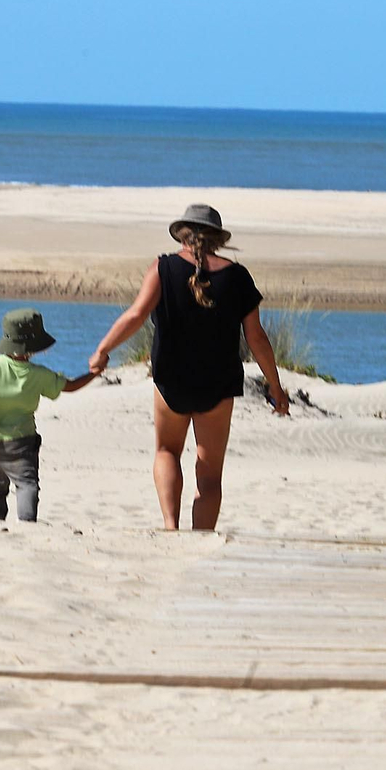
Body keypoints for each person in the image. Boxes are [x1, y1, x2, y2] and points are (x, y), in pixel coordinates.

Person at [89, 203, 290, 531]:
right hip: (219, 385)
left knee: (167, 450)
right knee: (210, 474)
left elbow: (136, 315)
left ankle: (171, 527)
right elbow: (256, 337)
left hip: (171, 382)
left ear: (182, 235)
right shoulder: (238, 276)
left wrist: (103, 350)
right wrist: (275, 386)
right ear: (218, 239)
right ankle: (202, 536)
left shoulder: (163, 268)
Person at [0, 308, 96, 522]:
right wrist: (94, 373)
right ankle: (27, 522)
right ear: (34, 347)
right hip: (22, 441)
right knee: (26, 483)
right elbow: (70, 386)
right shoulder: (40, 375)